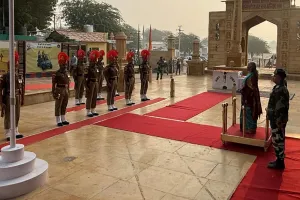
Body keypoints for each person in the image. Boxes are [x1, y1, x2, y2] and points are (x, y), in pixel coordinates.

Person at [267, 69, 289, 170]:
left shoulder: (281, 90)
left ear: (279, 77)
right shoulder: (277, 87)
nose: (273, 77)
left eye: (275, 75)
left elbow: (280, 107)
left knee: (278, 140)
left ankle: (280, 162)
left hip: (278, 121)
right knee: (276, 140)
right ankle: (278, 160)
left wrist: (278, 121)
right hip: (275, 119)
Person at [0, 51, 24, 141]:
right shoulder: (5, 76)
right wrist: (1, 102)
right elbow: (1, 89)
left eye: (16, 64)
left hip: (17, 96)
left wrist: (22, 99)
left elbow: (21, 88)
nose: (16, 66)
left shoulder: (18, 75)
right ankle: (8, 132)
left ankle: (16, 130)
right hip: (8, 95)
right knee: (8, 114)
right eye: (14, 64)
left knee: (17, 114)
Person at [240, 62, 262, 133]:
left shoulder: (252, 76)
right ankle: (246, 127)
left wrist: (245, 96)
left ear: (251, 67)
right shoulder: (250, 74)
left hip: (249, 97)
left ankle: (250, 128)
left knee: (249, 112)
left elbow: (251, 88)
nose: (247, 67)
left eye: (249, 66)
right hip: (248, 96)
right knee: (247, 112)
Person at [52, 52, 71, 127]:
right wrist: (53, 92)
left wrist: (68, 90)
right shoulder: (57, 73)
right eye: (63, 64)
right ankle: (58, 120)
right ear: (60, 64)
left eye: (66, 64)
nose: (65, 66)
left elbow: (68, 81)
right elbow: (53, 83)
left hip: (65, 89)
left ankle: (63, 118)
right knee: (58, 105)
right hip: (59, 89)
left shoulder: (67, 72)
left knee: (64, 104)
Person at [85, 50, 100, 117]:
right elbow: (84, 78)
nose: (95, 62)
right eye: (94, 61)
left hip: (95, 82)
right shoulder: (88, 68)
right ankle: (88, 111)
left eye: (95, 61)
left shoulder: (95, 67)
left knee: (94, 96)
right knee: (89, 97)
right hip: (90, 82)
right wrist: (86, 86)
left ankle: (93, 109)